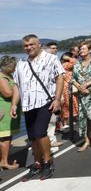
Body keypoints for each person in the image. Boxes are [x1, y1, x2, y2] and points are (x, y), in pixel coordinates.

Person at [10, 34, 64, 181]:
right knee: (33, 136)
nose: (29, 48)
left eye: (32, 44)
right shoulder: (21, 63)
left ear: (39, 44)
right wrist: (14, 104)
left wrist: (57, 99)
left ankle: (48, 162)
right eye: (26, 46)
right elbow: (16, 85)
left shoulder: (51, 59)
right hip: (28, 105)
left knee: (40, 133)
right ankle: (37, 163)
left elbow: (60, 77)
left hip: (45, 101)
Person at [0, 56, 21, 170]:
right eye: (14, 65)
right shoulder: (2, 77)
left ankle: (3, 159)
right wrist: (17, 86)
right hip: (4, 110)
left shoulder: (8, 76)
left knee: (7, 136)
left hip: (9, 110)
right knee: (5, 137)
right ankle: (4, 162)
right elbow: (7, 93)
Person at [59, 52, 78, 130]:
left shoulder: (62, 64)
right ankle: (68, 121)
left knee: (65, 105)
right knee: (70, 103)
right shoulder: (67, 64)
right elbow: (77, 63)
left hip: (65, 87)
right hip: (68, 87)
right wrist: (69, 59)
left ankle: (65, 123)